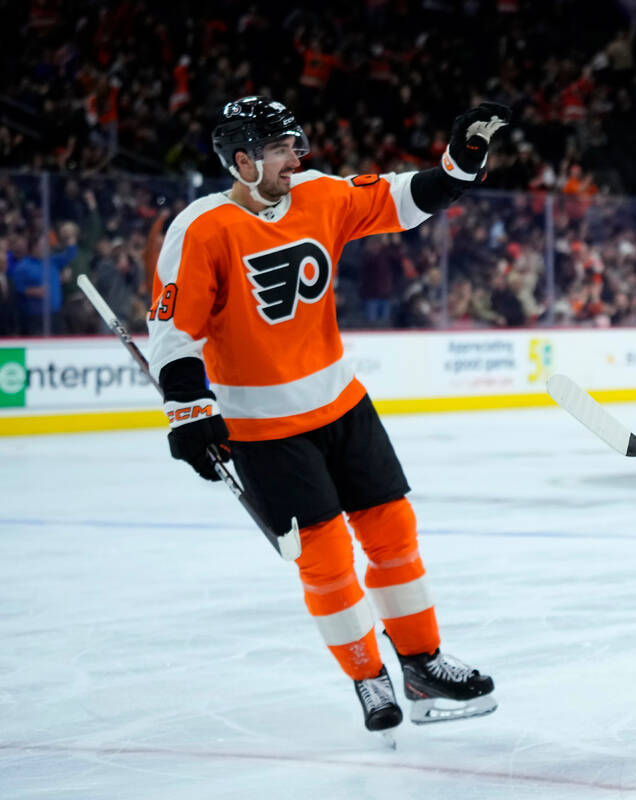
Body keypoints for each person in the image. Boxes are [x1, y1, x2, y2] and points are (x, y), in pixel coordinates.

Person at [145, 96, 509, 737]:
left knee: (393, 532)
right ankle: (369, 678)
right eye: (282, 149)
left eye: (295, 145)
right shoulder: (200, 228)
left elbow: (403, 199)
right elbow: (175, 334)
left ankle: (422, 666)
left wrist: (461, 165)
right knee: (327, 557)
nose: (298, 157)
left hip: (343, 406)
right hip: (264, 430)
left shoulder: (320, 195)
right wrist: (189, 414)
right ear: (242, 160)